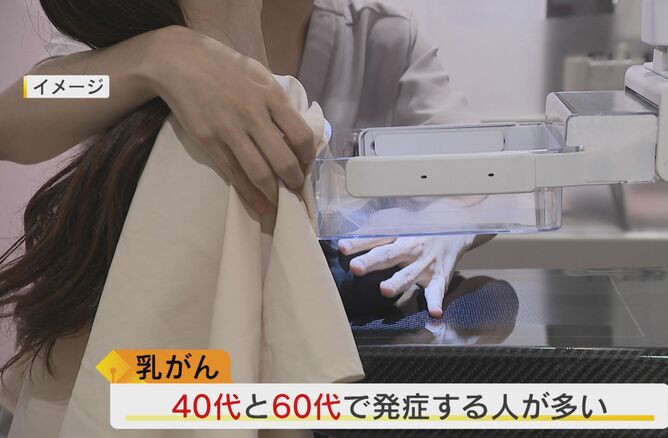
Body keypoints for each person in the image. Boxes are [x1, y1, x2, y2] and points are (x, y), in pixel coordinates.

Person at [0, 0, 489, 371]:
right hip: (161, 340)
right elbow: (21, 108)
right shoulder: (146, 20)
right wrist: (150, 60)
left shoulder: (379, 34)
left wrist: (446, 224)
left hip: (308, 341)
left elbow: (486, 168)